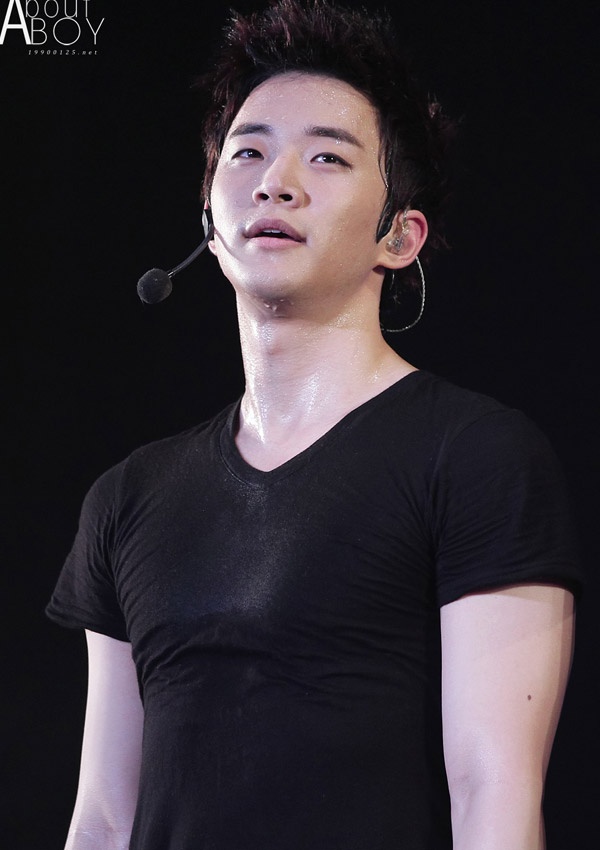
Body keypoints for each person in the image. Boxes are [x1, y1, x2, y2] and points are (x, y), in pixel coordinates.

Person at [46, 1, 581, 848]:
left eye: (327, 156)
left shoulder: (475, 457)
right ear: (209, 219)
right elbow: (107, 817)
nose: (276, 181)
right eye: (249, 152)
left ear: (399, 237)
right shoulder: (127, 498)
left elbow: (494, 794)